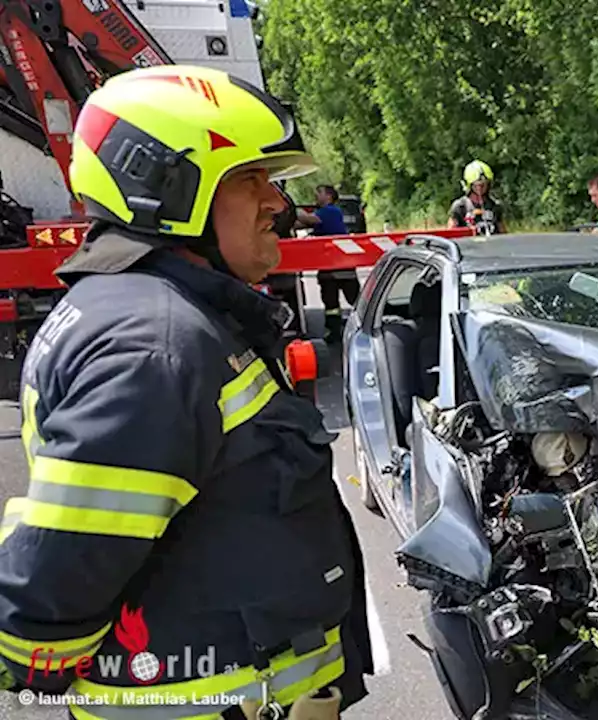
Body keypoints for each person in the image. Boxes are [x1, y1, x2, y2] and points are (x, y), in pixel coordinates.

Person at [0, 65, 374, 717]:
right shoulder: (158, 346)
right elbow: (50, 587)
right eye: (251, 178)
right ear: (167, 187)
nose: (279, 203)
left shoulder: (155, 317)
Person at [298, 184, 358, 343]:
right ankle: (334, 330)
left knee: (353, 297)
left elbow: (308, 220)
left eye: (319, 193)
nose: (316, 196)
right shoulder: (325, 213)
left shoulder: (329, 211)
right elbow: (302, 224)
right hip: (331, 266)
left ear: (329, 197)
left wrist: (292, 210)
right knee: (330, 301)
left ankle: (363, 322)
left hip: (339, 264)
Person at [447, 159, 505, 235]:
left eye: (483, 185)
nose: (480, 188)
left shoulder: (495, 206)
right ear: (470, 185)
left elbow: (503, 233)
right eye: (476, 185)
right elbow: (451, 233)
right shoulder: (460, 206)